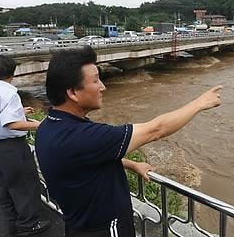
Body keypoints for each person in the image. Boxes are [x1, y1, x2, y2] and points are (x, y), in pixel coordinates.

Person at [35, 46, 222, 237]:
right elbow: (156, 129)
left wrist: (132, 164)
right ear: (73, 92)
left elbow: (83, 161)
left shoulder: (47, 128)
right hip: (106, 228)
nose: (103, 87)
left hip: (76, 225)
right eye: (96, 80)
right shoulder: (86, 137)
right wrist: (200, 103)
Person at [0, 55, 50, 236]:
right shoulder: (9, 93)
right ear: (13, 71)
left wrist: (20, 111)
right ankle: (29, 224)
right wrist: (42, 125)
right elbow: (11, 124)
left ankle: (13, 222)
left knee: (4, 186)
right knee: (24, 185)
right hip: (12, 147)